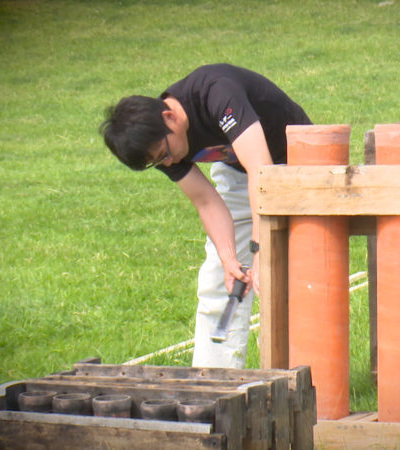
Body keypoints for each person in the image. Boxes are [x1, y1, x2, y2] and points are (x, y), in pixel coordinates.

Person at [100, 63, 312, 368]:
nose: (169, 161)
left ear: (169, 117)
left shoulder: (215, 92)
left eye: (164, 154)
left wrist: (259, 252)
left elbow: (262, 172)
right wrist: (229, 259)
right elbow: (207, 203)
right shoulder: (159, 144)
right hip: (241, 173)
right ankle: (213, 387)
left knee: (285, 276)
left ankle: (303, 377)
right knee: (217, 278)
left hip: (296, 161)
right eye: (158, 161)